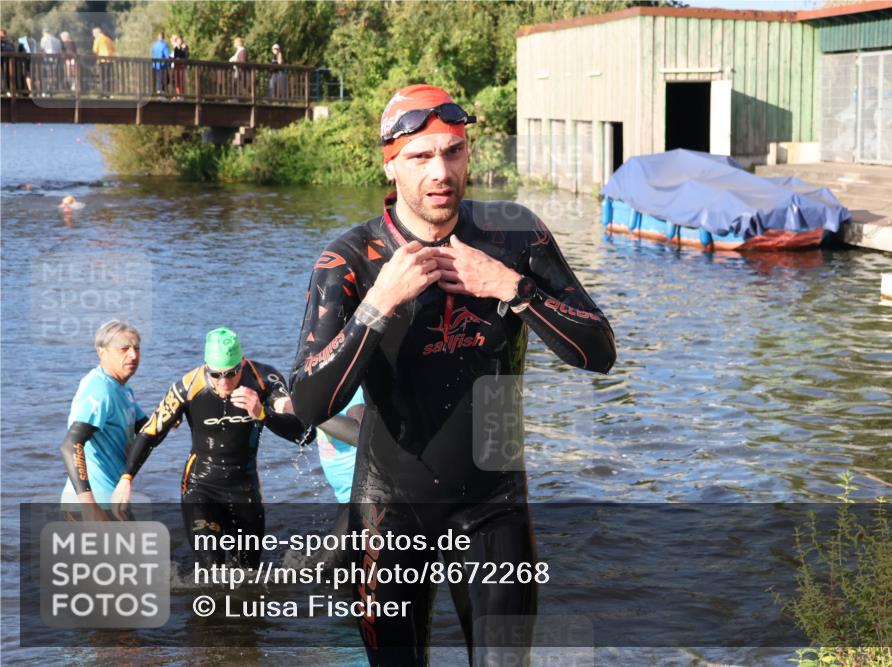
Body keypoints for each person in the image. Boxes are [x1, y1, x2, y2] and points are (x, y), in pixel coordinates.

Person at [289, 84, 616, 665]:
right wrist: (378, 305)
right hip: (389, 512)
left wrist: (514, 290)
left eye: (453, 152)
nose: (440, 171)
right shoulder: (350, 259)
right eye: (420, 157)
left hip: (494, 504)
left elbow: (599, 352)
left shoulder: (515, 237)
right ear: (390, 165)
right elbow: (309, 402)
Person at [111, 327, 314, 568]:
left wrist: (263, 413)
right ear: (206, 367)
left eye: (231, 373)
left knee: (249, 573)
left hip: (245, 488)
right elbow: (151, 431)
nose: (224, 381)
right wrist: (126, 478)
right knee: (212, 570)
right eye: (216, 375)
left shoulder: (264, 379)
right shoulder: (188, 385)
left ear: (242, 362)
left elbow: (303, 434)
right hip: (200, 487)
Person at [60, 320, 145, 521]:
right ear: (102, 352)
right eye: (124, 349)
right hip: (94, 504)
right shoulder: (100, 389)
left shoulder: (123, 389)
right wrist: (90, 506)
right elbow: (71, 445)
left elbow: (147, 429)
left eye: (136, 348)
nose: (133, 355)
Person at [91, 27, 114, 96]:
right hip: (110, 60)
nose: (93, 35)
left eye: (93, 34)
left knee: (102, 77)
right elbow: (114, 49)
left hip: (102, 60)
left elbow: (95, 50)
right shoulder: (108, 38)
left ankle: (103, 93)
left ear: (96, 33)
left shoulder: (98, 39)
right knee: (108, 76)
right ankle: (109, 93)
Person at [39, 29, 60, 94]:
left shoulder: (44, 39)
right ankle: (52, 88)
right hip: (55, 59)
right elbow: (59, 50)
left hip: (46, 59)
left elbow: (42, 49)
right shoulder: (57, 40)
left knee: (47, 74)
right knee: (53, 74)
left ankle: (48, 88)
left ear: (45, 33)